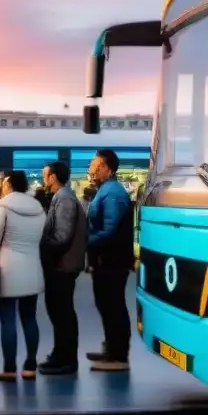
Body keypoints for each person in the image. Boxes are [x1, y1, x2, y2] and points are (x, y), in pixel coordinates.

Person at [0, 171, 45, 382]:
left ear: (9, 184)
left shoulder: (3, 207)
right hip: (33, 269)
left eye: (3, 182)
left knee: (7, 320)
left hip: (7, 269)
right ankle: (30, 365)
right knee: (30, 319)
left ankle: (10, 368)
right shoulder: (38, 207)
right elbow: (42, 236)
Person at [86, 149, 134, 372]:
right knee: (106, 304)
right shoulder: (105, 190)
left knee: (113, 305)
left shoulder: (112, 193)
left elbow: (109, 231)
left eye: (95, 164)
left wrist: (84, 242)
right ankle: (111, 348)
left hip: (112, 259)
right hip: (106, 259)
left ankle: (118, 356)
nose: (91, 168)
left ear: (106, 167)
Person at [39, 161, 87, 375]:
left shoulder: (64, 199)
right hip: (61, 264)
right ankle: (60, 354)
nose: (43, 179)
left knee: (62, 313)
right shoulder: (61, 197)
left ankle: (67, 360)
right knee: (58, 311)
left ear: (53, 177)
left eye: (45, 175)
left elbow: (62, 236)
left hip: (62, 265)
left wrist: (41, 246)